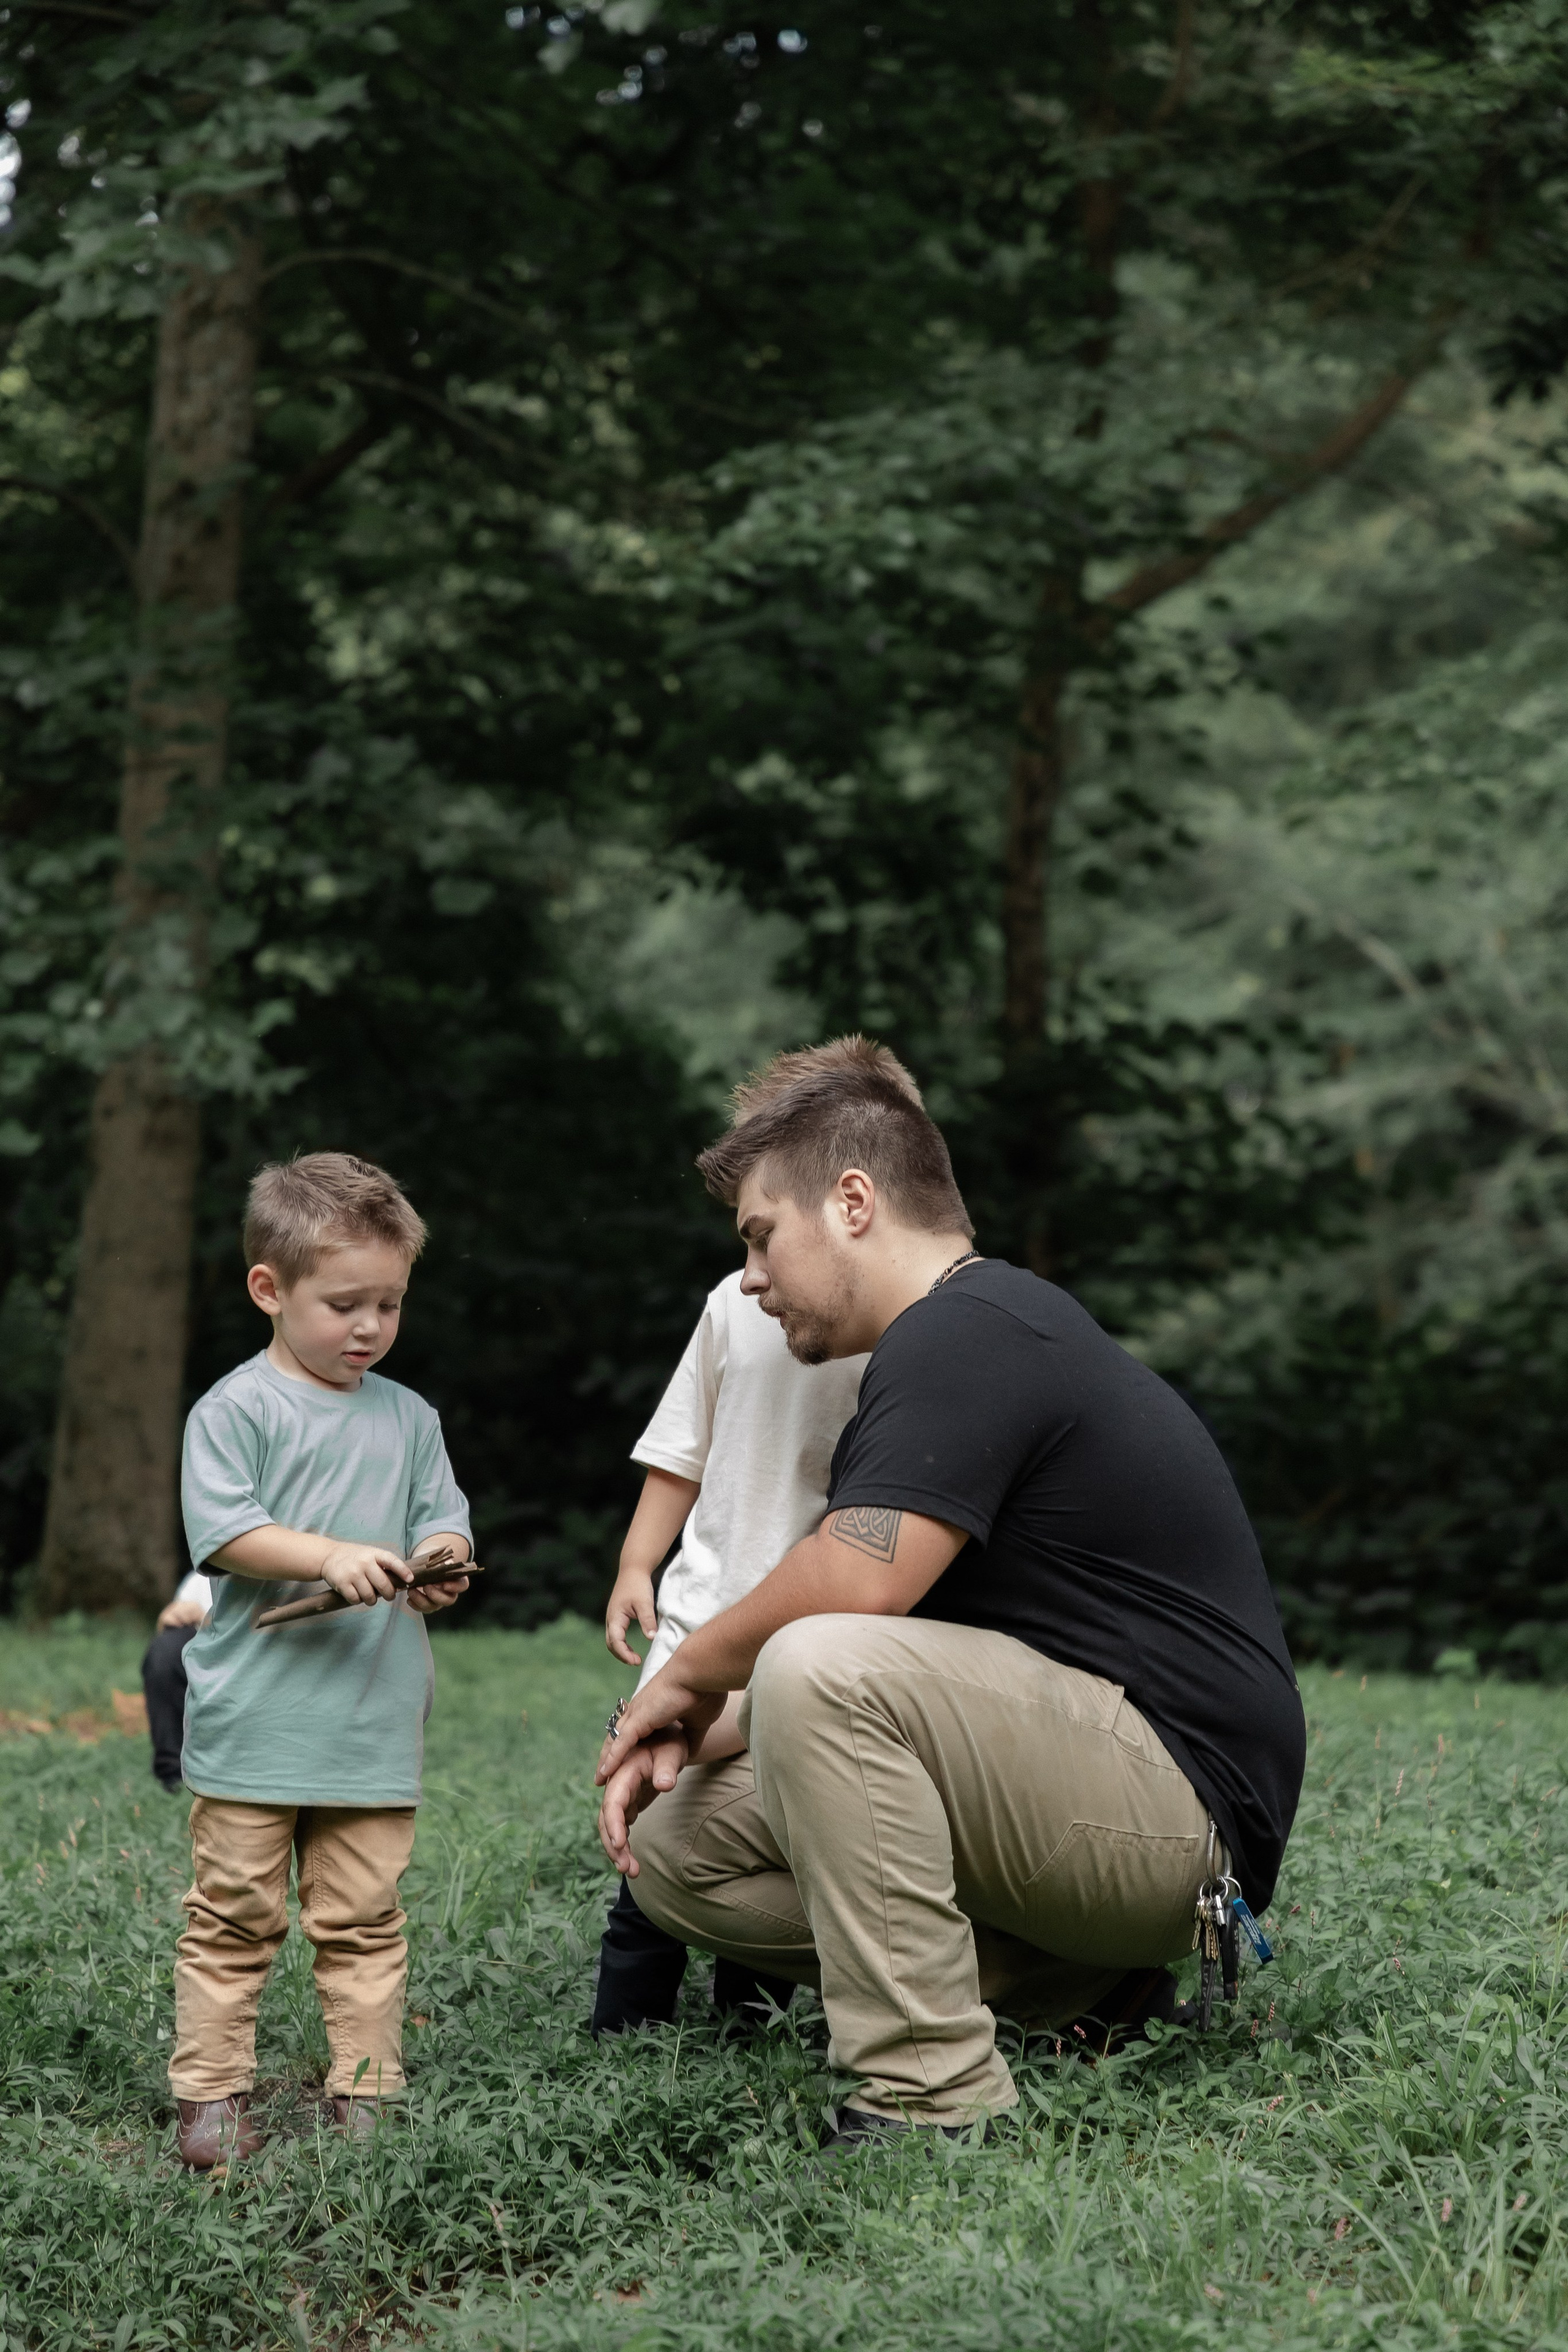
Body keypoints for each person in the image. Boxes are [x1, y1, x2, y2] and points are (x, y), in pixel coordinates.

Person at [596, 1040, 1306, 2150]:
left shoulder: (974, 1329)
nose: (749, 1277)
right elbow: (922, 1654)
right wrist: (699, 1732)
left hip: (1184, 1822)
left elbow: (859, 1584)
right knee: (684, 1844)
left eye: (760, 1234)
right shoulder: (937, 1351)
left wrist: (686, 1671)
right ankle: (1080, 1991)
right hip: (1092, 1801)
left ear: (853, 1201)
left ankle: (927, 2094)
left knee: (817, 1657)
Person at [168, 1152, 472, 2173]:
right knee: (232, 1923)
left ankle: (367, 2093)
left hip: (369, 1725)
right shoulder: (236, 1411)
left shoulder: (411, 1417)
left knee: (364, 1921)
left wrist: (439, 1567)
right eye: (345, 1303)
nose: (370, 1328)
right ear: (270, 1289)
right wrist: (330, 1554)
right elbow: (226, 1535)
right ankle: (212, 2096)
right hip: (257, 1724)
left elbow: (442, 1527)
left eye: (389, 1304)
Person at [594, 1042, 902, 2033]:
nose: (757, 1264)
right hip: (702, 1617)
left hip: (810, 1627)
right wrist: (640, 1562)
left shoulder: (893, 1330)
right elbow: (683, 1446)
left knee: (769, 1814)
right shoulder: (734, 1306)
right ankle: (625, 2025)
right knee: (651, 1824)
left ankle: (748, 2015)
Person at [141, 1567, 213, 1792]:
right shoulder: (199, 1579)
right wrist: (170, 1618)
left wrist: (208, 1620)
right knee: (165, 1649)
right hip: (203, 1656)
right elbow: (168, 1627)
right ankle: (174, 1776)